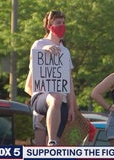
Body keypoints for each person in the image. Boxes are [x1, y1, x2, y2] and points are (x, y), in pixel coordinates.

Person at [24, 10, 77, 146]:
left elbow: (69, 81)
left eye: (63, 23)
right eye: (58, 23)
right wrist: (46, 49)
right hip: (42, 98)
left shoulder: (65, 51)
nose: (62, 26)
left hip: (62, 104)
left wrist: (72, 107)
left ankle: (52, 143)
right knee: (40, 145)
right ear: (49, 26)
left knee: (55, 150)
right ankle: (51, 141)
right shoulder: (39, 44)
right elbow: (32, 75)